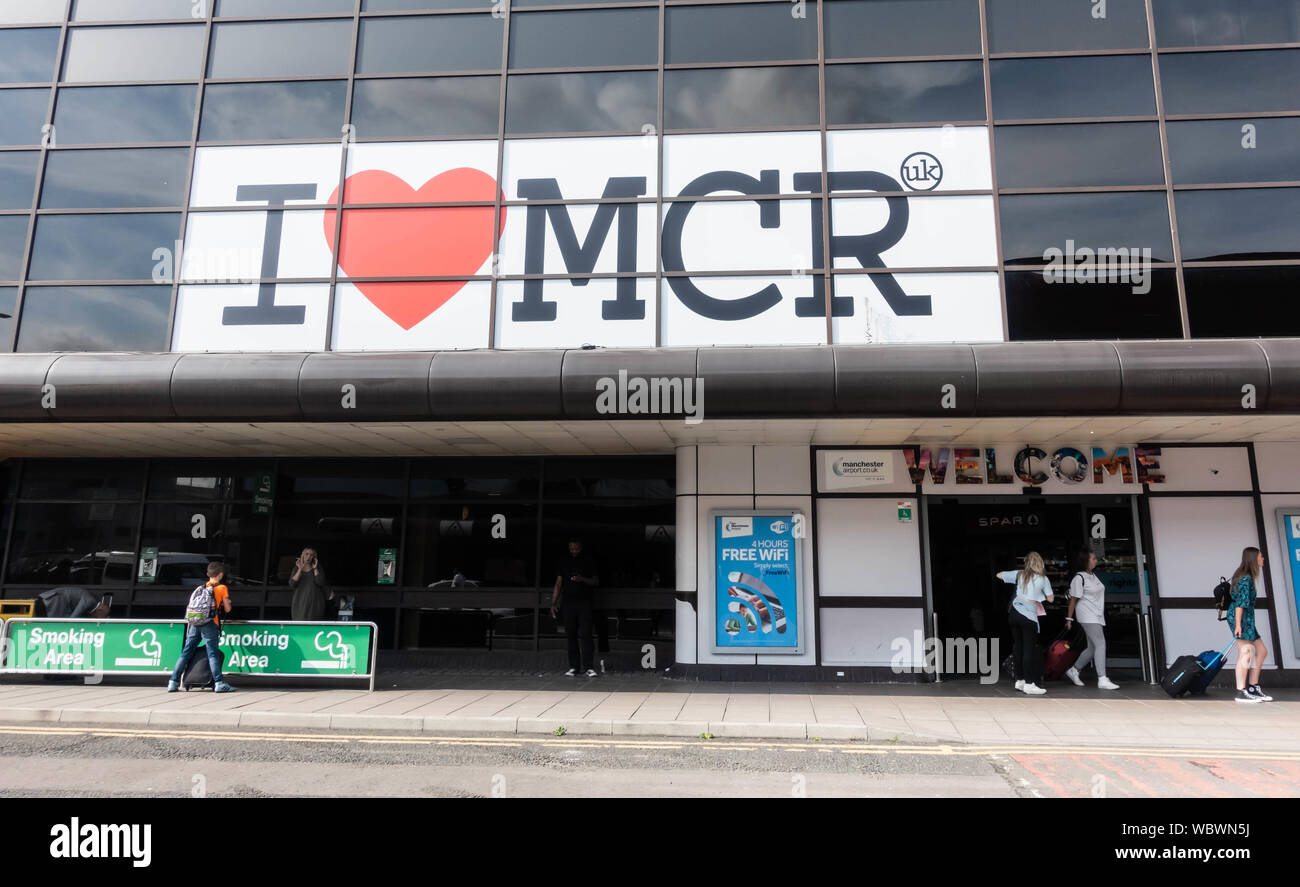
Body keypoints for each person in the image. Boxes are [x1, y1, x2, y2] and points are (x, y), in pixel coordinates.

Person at [167, 561, 234, 693]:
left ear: (208, 574)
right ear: (220, 575)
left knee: (186, 652)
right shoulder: (221, 588)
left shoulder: (201, 588)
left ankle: (173, 682)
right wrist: (228, 602)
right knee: (212, 653)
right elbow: (227, 609)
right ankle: (219, 683)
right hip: (210, 623)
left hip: (195, 622)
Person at [997, 551, 1054, 696]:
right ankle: (1029, 683)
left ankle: (1020, 680)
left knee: (1018, 647)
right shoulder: (1043, 579)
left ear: (1027, 563)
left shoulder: (1020, 574)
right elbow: (1051, 599)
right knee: (1029, 649)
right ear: (1039, 563)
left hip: (1014, 612)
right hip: (1028, 615)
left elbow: (999, 575)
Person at [1064, 546, 1118, 690]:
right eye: (1093, 559)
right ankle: (1102, 678)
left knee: (1093, 647)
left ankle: (1074, 670)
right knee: (1100, 643)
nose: (1095, 561)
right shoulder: (1079, 578)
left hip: (1096, 614)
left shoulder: (1093, 576)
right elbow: (1073, 600)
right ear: (1085, 561)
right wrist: (1069, 619)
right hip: (1087, 615)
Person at [550, 538, 599, 677]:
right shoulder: (564, 562)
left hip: (585, 602)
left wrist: (582, 579)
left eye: (576, 548)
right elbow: (558, 584)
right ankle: (574, 667)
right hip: (568, 603)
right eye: (571, 548)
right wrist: (553, 603)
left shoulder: (588, 561)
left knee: (585, 634)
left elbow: (595, 581)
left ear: (581, 547)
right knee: (570, 635)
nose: (574, 551)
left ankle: (589, 666)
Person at [1228, 547, 1271, 704]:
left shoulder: (1246, 576)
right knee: (1246, 651)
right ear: (1254, 558)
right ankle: (1241, 691)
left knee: (1261, 651)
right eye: (1260, 556)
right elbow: (1240, 603)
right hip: (1240, 618)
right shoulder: (1245, 578)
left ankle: (1253, 687)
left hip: (1246, 619)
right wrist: (1238, 625)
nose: (1263, 558)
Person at [289, 547, 331, 622]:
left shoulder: (318, 568)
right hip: (300, 602)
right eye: (307, 554)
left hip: (315, 603)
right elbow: (292, 584)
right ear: (303, 555)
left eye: (311, 555)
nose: (308, 557)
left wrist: (315, 568)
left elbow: (320, 582)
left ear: (314, 557)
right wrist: (300, 569)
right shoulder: (296, 568)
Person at [34, 587, 110, 619]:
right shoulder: (90, 601)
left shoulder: (91, 601)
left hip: (48, 600)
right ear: (100, 611)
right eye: (103, 616)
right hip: (49, 602)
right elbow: (74, 618)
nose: (98, 619)